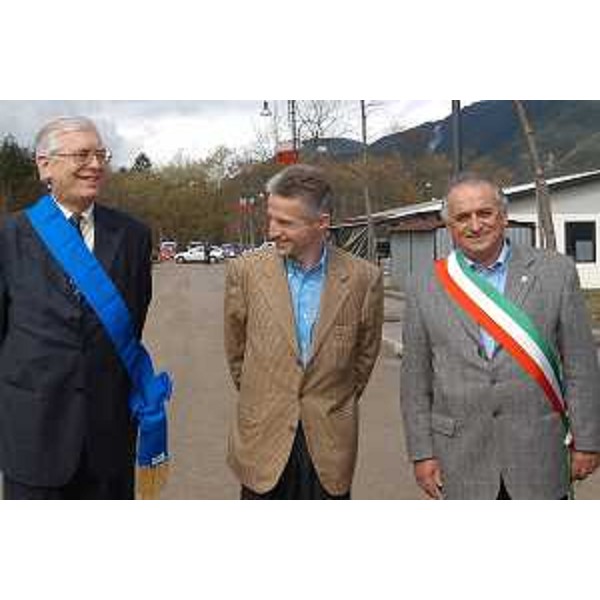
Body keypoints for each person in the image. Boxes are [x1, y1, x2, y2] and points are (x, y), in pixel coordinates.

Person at [400, 172, 600, 499]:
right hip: (460, 458)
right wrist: (421, 453)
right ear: (449, 226)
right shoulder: (424, 284)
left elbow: (582, 367)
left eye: (485, 213)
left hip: (540, 455)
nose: (475, 225)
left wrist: (588, 440)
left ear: (504, 217)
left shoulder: (556, 272)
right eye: (462, 217)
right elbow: (414, 381)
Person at [0, 116, 169, 500]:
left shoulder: (132, 236)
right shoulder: (8, 237)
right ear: (45, 164)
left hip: (108, 436)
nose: (95, 164)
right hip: (32, 436)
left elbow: (130, 325)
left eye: (100, 154)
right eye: (82, 154)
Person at [224, 164, 384, 499]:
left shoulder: (363, 280)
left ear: (321, 223)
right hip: (262, 444)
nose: (271, 231)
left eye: (285, 222)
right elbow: (237, 353)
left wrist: (329, 401)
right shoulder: (245, 273)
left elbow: (363, 360)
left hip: (329, 447)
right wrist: (268, 394)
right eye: (271, 218)